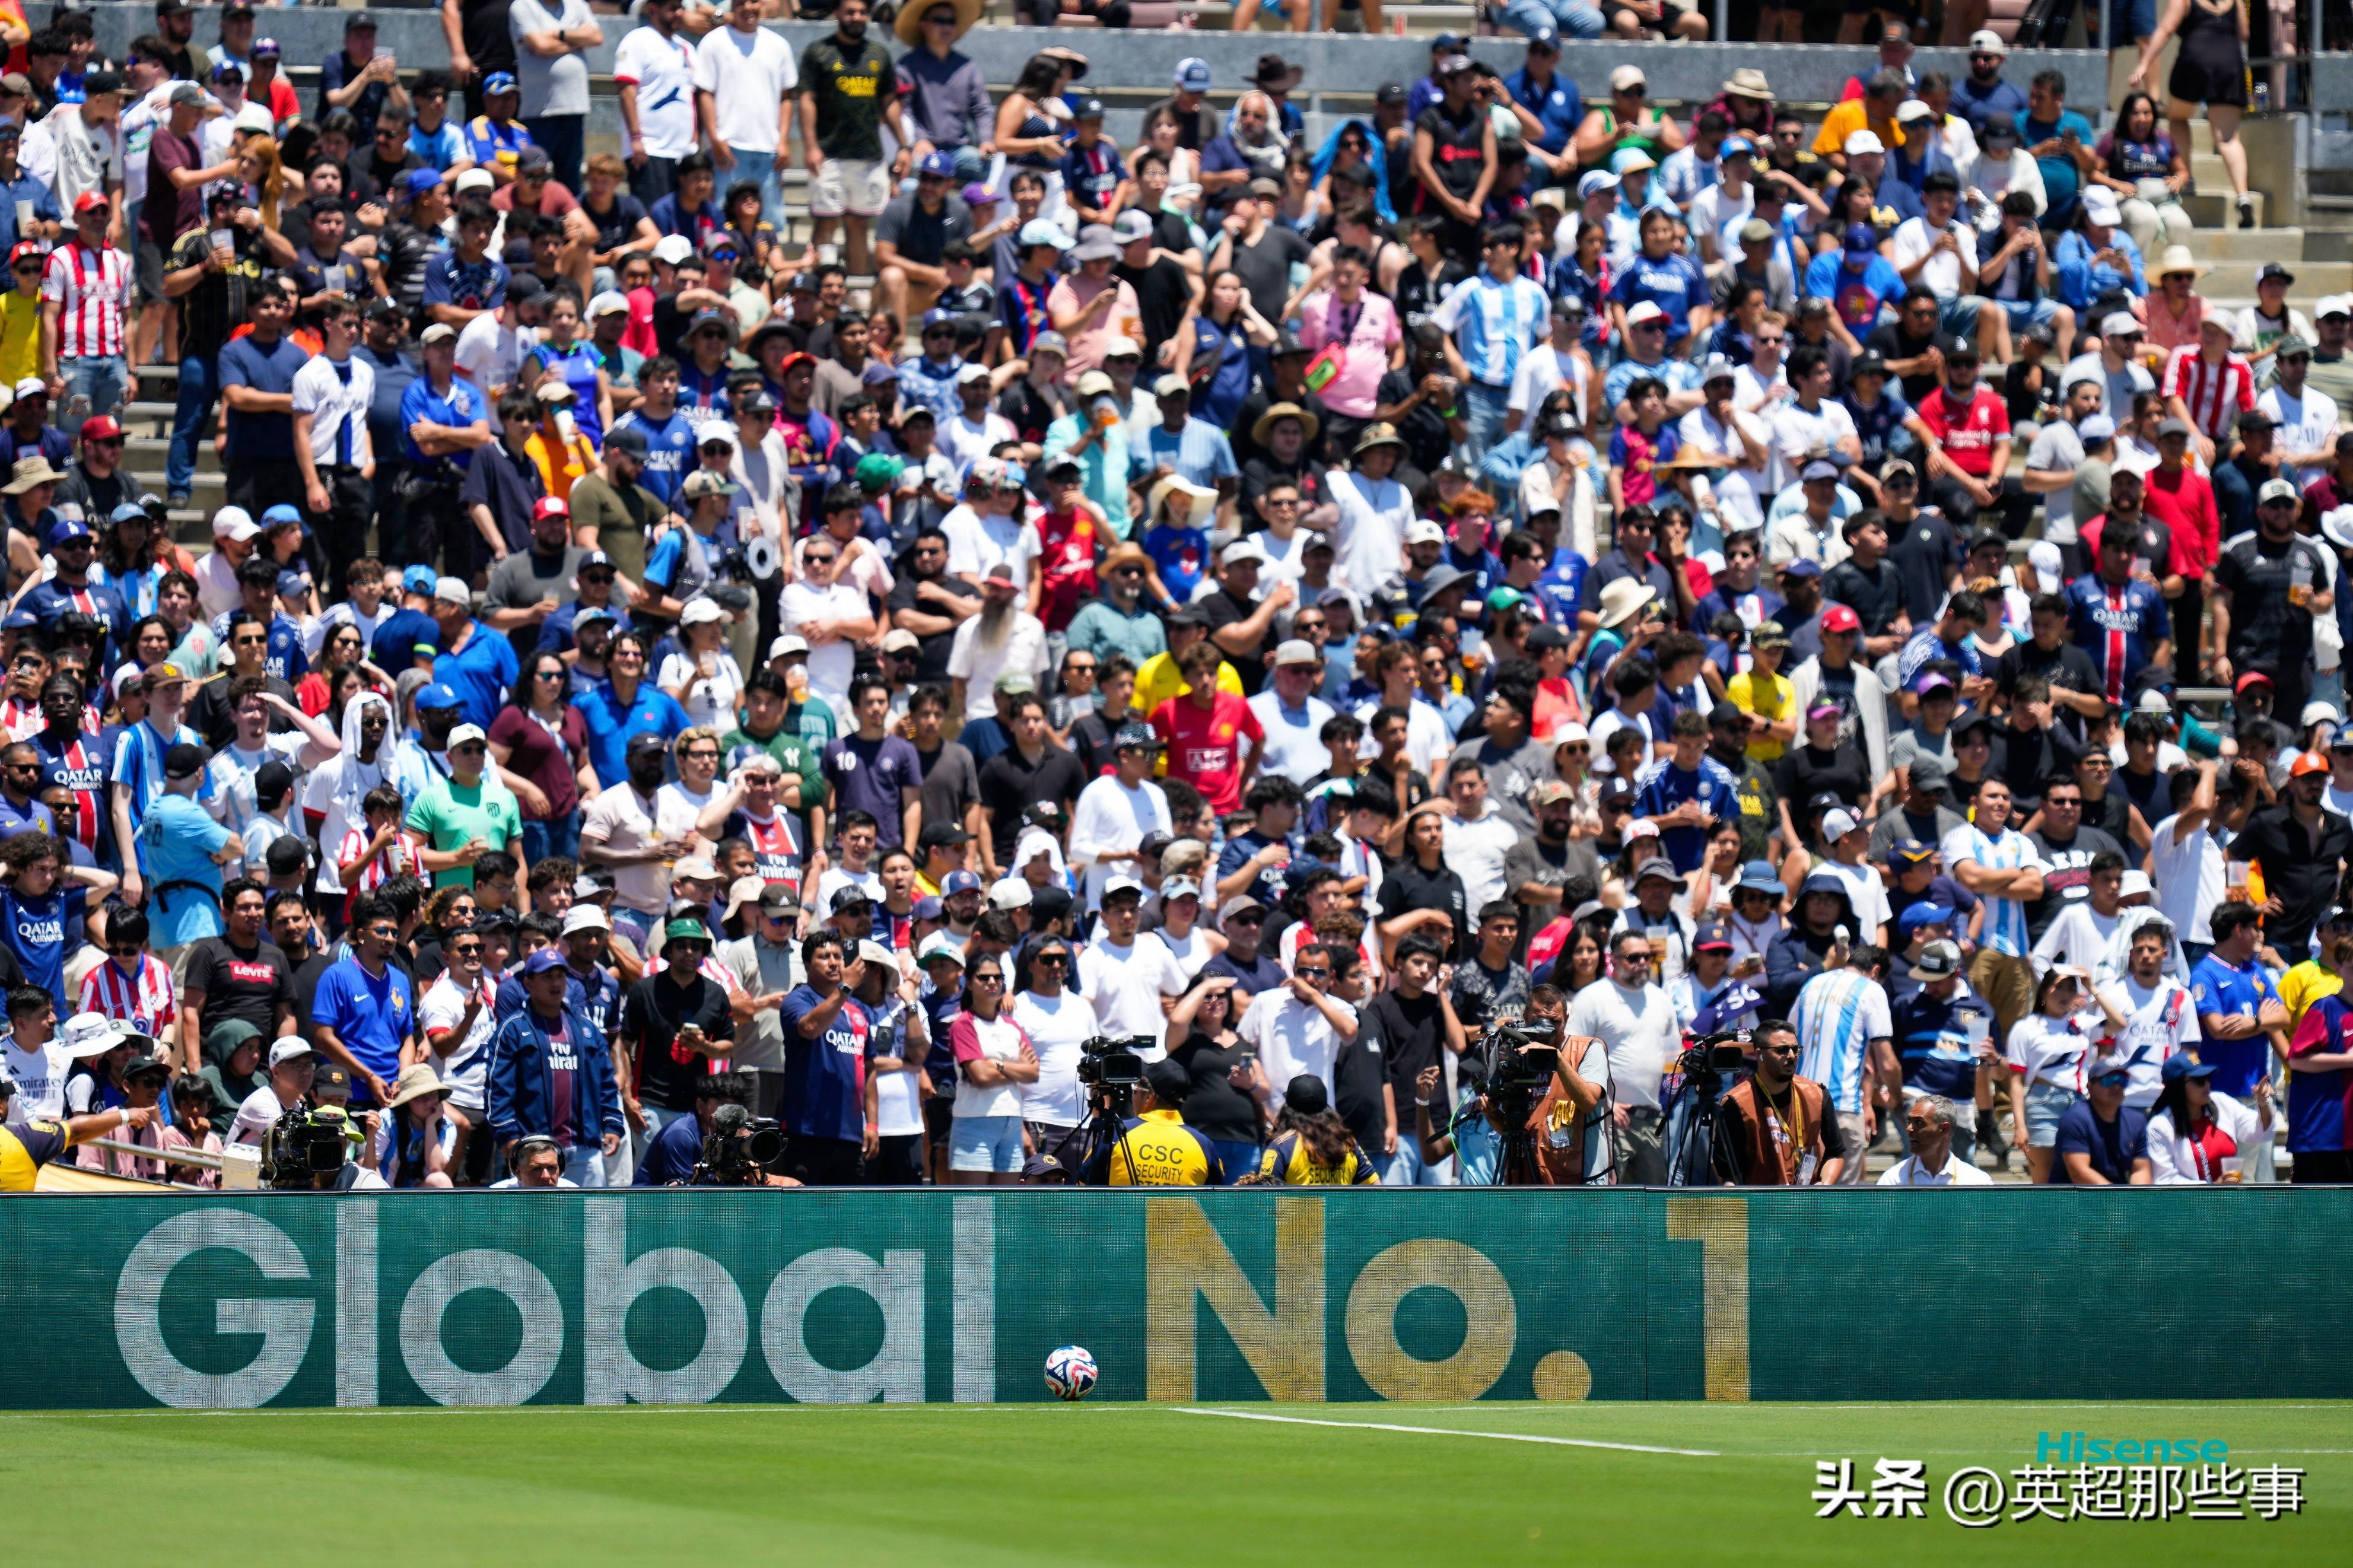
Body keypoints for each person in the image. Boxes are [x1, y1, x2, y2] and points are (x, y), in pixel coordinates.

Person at [1714, 1017, 1842, 1185]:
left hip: (1809, 1197)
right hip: (1759, 1198)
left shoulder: (1817, 1095)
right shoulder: (1736, 1103)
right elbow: (1728, 1175)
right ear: (1760, 1055)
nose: (1792, 1056)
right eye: (1782, 1050)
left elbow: (1835, 1153)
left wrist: (1825, 1184)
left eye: (1795, 1049)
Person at [1077, 1057, 1223, 1186]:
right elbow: (1218, 1199)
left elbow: (1083, 1187)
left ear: (1149, 1097)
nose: (1133, 1097)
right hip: (1178, 1212)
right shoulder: (1203, 1146)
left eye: (1136, 1091)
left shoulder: (1116, 1134)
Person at [1877, 1092, 1992, 1184]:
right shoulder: (1893, 1180)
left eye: (1919, 1123)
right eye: (1909, 1122)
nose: (1909, 1129)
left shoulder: (1977, 1181)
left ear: (1944, 1129)